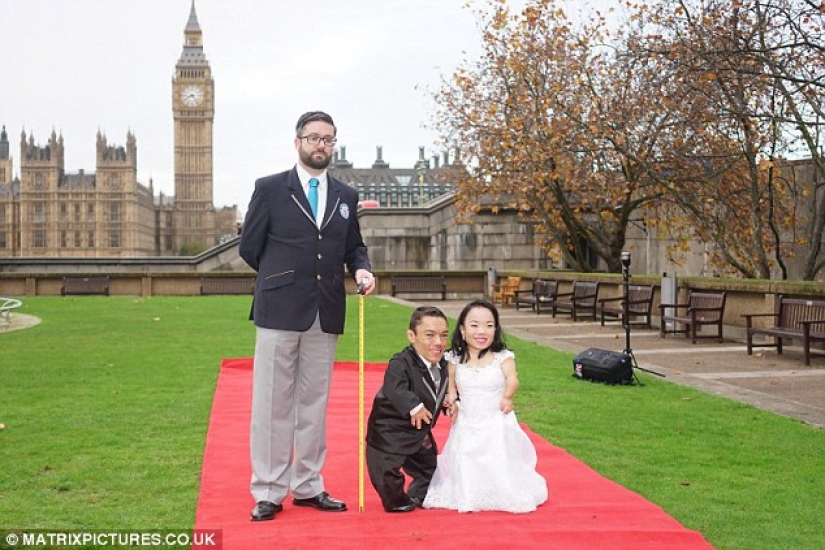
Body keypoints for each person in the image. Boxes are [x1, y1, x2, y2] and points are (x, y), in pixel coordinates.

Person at [239, 111, 375, 522]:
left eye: (328, 139)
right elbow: (250, 247)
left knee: (314, 404)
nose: (321, 145)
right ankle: (268, 490)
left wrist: (362, 267)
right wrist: (280, 278)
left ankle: (308, 485)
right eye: (314, 138)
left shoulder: (346, 197)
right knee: (272, 405)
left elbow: (354, 246)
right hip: (278, 310)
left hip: (326, 310)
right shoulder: (269, 189)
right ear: (297, 142)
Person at [423, 299, 548, 513]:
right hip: (468, 418)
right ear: (462, 330)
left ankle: (501, 488)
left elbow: (513, 379)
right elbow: (450, 383)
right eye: (475, 325)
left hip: (495, 416)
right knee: (466, 452)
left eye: (489, 326)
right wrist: (450, 398)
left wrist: (508, 396)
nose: (482, 331)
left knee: (496, 452)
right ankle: (469, 491)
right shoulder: (454, 358)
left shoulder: (503, 357)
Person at [365, 306, 457, 513]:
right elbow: (394, 387)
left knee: (430, 469)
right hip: (389, 432)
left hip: (418, 433)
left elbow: (442, 388)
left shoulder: (444, 364)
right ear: (411, 336)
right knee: (386, 475)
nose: (438, 343)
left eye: (443, 336)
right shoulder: (400, 363)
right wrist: (413, 407)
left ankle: (419, 494)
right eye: (430, 335)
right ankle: (396, 501)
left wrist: (450, 401)